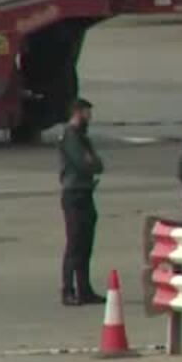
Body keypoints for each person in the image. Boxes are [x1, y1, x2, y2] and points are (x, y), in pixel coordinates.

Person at [57, 98, 105, 306]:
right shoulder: (71, 136)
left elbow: (98, 164)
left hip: (85, 193)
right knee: (75, 244)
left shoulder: (82, 136)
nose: (90, 117)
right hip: (74, 194)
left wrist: (92, 162)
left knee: (85, 244)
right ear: (77, 112)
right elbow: (83, 164)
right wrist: (91, 162)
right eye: (87, 112)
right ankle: (68, 290)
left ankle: (85, 289)